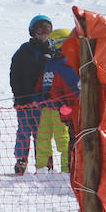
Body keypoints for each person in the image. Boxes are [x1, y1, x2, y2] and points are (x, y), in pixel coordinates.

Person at [11, 15, 55, 174]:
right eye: (40, 30)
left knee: (42, 132)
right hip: (25, 100)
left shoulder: (52, 50)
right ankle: (21, 160)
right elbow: (14, 76)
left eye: (47, 30)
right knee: (24, 130)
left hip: (43, 101)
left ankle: (44, 162)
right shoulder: (24, 51)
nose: (44, 34)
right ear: (33, 32)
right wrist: (19, 96)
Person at [35, 28, 75, 172]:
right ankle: (43, 168)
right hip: (46, 107)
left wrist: (65, 104)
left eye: (51, 42)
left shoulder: (67, 63)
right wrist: (38, 96)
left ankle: (66, 168)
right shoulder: (50, 61)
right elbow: (42, 80)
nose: (49, 45)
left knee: (63, 140)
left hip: (59, 109)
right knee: (42, 139)